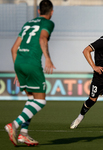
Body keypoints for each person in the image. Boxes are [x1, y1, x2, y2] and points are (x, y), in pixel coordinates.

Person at [4, 0, 55, 146]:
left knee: (31, 99)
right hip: (32, 63)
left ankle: (23, 134)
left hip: (19, 62)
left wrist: (17, 71)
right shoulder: (48, 23)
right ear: (51, 12)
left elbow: (14, 49)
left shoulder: (28, 23)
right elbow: (42, 38)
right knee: (40, 101)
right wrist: (48, 59)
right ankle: (14, 125)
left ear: (38, 11)